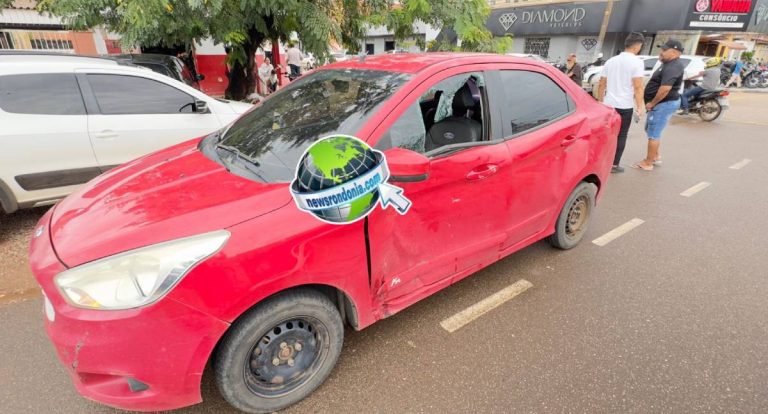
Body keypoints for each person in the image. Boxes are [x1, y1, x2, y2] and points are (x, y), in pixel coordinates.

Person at [632, 39, 685, 171]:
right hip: (662, 103)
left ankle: (648, 162)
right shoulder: (667, 63)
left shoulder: (673, 66)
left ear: (674, 52)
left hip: (663, 104)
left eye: (664, 50)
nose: (661, 52)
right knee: (651, 130)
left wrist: (652, 103)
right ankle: (655, 156)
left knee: (653, 133)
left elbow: (665, 89)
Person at [597, 32, 646, 173]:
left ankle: (600, 161)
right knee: (621, 134)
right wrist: (640, 106)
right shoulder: (637, 62)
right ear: (638, 46)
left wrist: (600, 102)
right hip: (624, 106)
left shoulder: (611, 61)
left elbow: (601, 84)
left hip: (608, 105)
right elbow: (638, 87)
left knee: (606, 134)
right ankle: (614, 165)